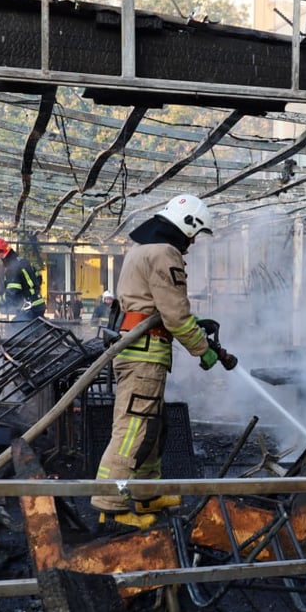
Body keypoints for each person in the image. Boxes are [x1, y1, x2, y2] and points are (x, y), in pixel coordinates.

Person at [91, 194, 226, 529]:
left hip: (140, 349)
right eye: (194, 235)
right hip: (144, 353)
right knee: (133, 429)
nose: (192, 244)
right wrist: (202, 349)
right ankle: (111, 506)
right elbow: (175, 315)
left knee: (151, 425)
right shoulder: (165, 253)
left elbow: (157, 307)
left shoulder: (142, 249)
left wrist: (194, 327)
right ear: (187, 225)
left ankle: (146, 493)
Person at [0, 237, 46, 321]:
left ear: (1, 254)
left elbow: (12, 294)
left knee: (13, 327)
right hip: (39, 305)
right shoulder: (24, 262)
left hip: (30, 309)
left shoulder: (12, 269)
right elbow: (39, 278)